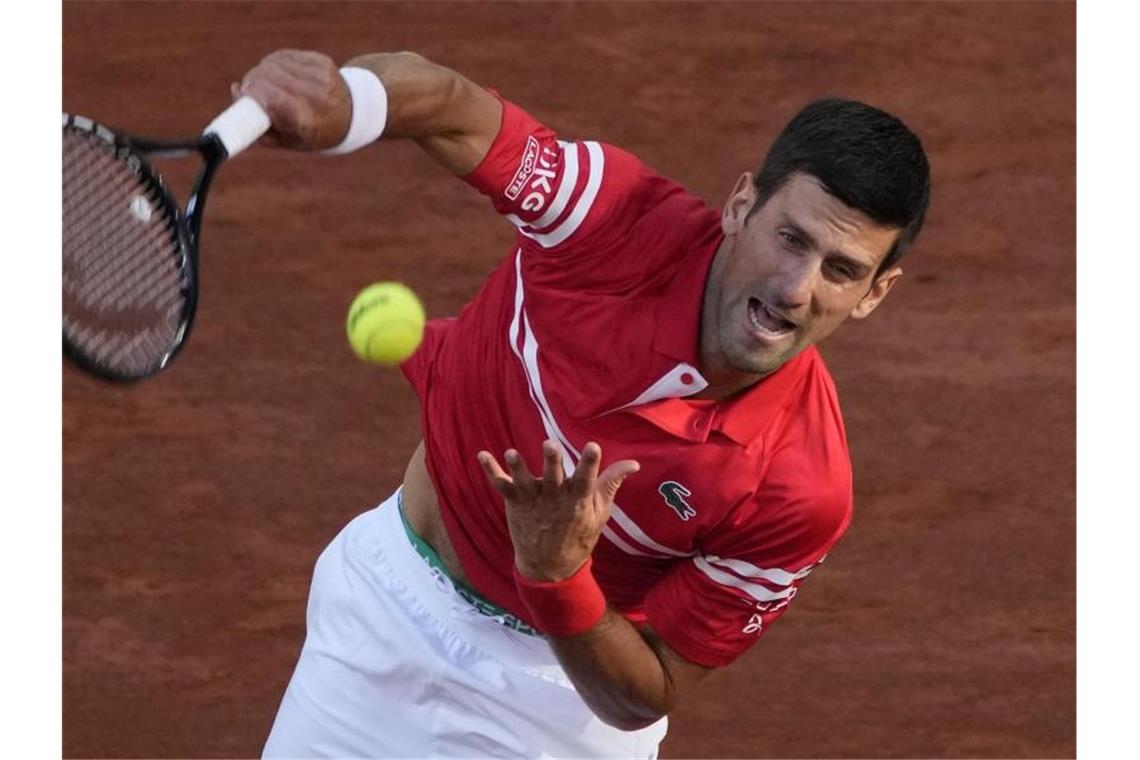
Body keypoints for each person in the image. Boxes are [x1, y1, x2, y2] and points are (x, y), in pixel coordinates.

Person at [240, 49, 930, 759]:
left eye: (840, 271)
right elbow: (457, 112)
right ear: (740, 206)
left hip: (552, 712)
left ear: (875, 293)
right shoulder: (608, 219)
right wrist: (348, 103)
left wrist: (555, 572)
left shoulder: (801, 489)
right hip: (382, 605)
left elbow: (644, 693)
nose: (794, 287)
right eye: (790, 239)